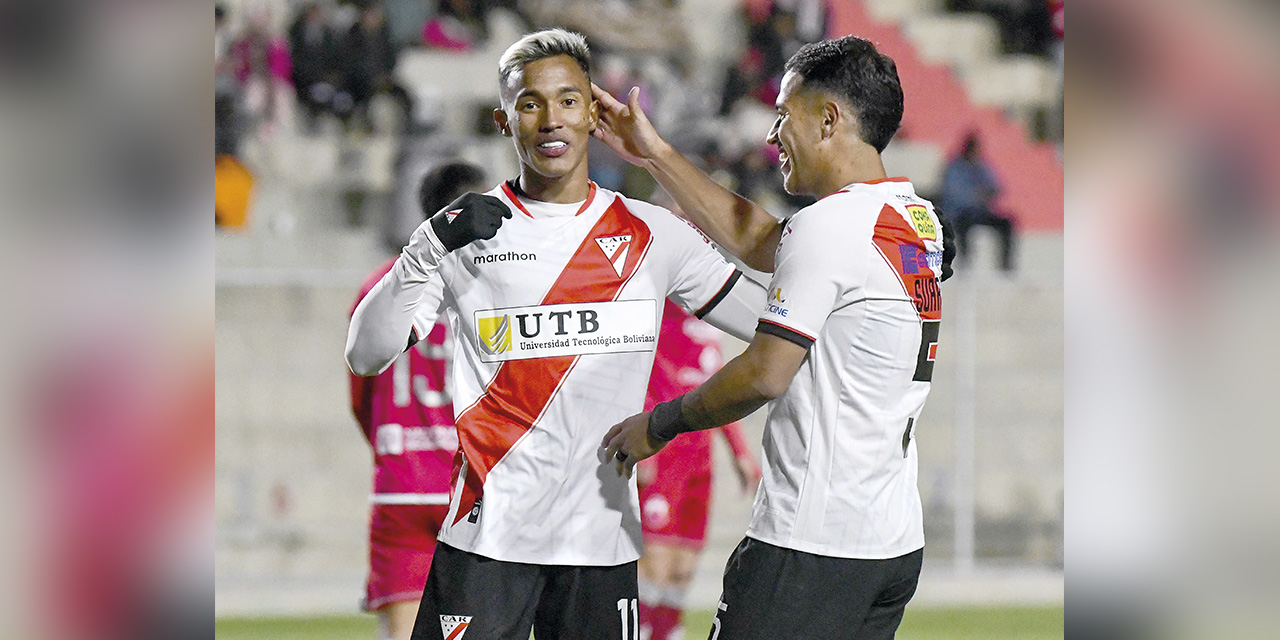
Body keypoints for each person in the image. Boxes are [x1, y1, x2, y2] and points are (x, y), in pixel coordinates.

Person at [345, 29, 767, 640]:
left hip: (600, 550)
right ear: (503, 120)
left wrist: (674, 418)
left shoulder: (650, 234)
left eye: (569, 100)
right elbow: (365, 353)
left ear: (595, 113)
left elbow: (771, 323)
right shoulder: (464, 233)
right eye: (530, 102)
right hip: (484, 545)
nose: (551, 119)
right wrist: (427, 246)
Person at [595, 35, 950, 639]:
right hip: (888, 542)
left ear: (829, 119)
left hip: (810, 548)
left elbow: (765, 373)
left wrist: (659, 424)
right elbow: (762, 239)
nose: (771, 133)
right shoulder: (916, 220)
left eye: (785, 114)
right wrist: (654, 153)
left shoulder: (829, 229)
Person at [350, 162, 487, 640]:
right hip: (471, 487)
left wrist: (395, 446)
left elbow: (363, 395)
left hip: (402, 484)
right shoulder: (492, 287)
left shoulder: (381, 288)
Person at [637, 300, 761, 640]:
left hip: (699, 457)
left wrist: (740, 451)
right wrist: (644, 445)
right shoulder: (658, 308)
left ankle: (667, 634)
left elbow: (717, 385)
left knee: (682, 569)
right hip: (663, 451)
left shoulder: (708, 309)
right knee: (654, 565)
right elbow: (639, 370)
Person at [940, 132, 1016, 272]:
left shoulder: (981, 166)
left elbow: (997, 187)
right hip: (961, 212)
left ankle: (1005, 265)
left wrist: (987, 193)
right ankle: (964, 263)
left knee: (1006, 223)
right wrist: (977, 196)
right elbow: (954, 194)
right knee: (963, 224)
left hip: (980, 212)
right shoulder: (955, 167)